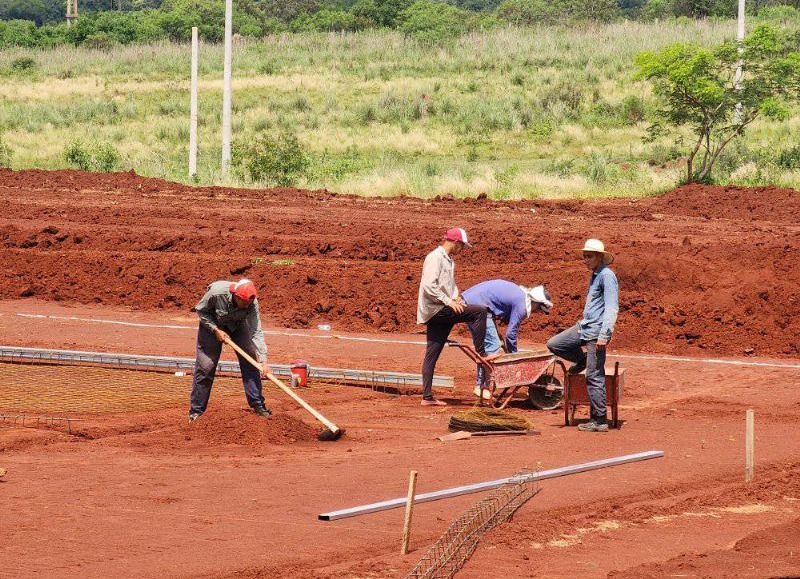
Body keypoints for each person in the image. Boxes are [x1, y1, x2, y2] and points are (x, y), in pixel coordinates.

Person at [547, 239, 619, 432]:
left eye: (589, 256)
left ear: (600, 257)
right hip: (585, 326)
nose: (585, 260)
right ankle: (583, 359)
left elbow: (612, 308)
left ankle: (599, 420)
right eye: (584, 256)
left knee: (594, 375)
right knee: (555, 344)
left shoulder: (607, 276)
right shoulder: (595, 275)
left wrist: (604, 335)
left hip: (596, 332)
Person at [417, 227, 488, 407]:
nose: (462, 249)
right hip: (436, 309)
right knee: (480, 312)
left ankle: (427, 397)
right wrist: (448, 301)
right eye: (462, 245)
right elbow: (428, 286)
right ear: (455, 242)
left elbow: (450, 285)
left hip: (440, 310)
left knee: (432, 353)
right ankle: (481, 354)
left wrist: (456, 297)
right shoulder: (435, 257)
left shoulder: (449, 261)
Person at [188, 278, 271, 422]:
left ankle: (258, 404)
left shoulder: (251, 303)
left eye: (249, 303)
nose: (247, 306)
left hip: (238, 324)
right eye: (244, 303)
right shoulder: (216, 293)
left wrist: (263, 360)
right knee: (206, 366)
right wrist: (215, 330)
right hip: (212, 323)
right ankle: (196, 411)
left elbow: (256, 331)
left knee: (251, 360)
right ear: (236, 296)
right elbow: (201, 311)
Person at [462, 280, 553, 398]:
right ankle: (483, 387)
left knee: (489, 346)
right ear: (536, 302)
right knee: (493, 346)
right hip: (478, 306)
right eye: (540, 309)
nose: (538, 312)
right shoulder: (522, 305)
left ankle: (481, 385)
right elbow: (510, 334)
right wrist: (514, 356)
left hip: (473, 302)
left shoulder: (520, 296)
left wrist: (502, 340)